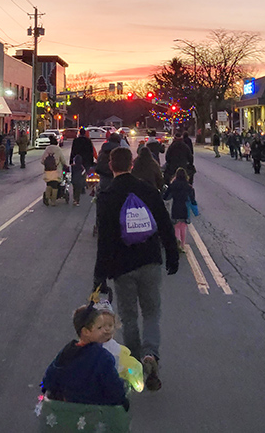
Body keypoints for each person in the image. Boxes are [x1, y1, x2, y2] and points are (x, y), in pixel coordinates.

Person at [94, 147, 179, 392]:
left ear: (111, 166)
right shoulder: (148, 191)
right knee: (152, 312)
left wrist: (100, 276)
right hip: (150, 260)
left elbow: (105, 239)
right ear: (131, 164)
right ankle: (151, 354)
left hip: (123, 267)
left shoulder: (107, 195)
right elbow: (164, 223)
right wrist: (172, 255)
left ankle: (135, 366)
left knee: (129, 318)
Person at [41, 304, 128, 409]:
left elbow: (48, 379)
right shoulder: (103, 357)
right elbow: (114, 388)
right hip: (97, 411)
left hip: (67, 409)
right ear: (86, 332)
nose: (103, 331)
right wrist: (123, 399)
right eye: (99, 328)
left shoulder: (65, 353)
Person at [163, 167, 196, 253]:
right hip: (185, 208)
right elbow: (192, 199)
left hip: (175, 207)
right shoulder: (189, 187)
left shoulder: (173, 185)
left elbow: (166, 197)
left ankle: (177, 240)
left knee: (176, 226)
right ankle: (182, 245)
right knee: (183, 226)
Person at [41, 135, 67, 206]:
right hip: (56, 171)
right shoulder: (58, 149)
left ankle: (47, 197)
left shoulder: (47, 149)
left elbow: (42, 160)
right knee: (55, 186)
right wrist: (65, 165)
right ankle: (53, 201)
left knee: (49, 184)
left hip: (48, 171)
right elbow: (63, 160)